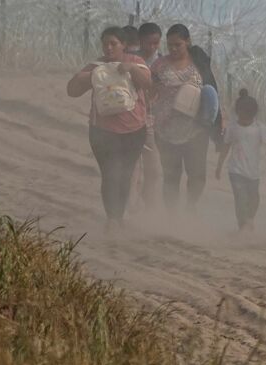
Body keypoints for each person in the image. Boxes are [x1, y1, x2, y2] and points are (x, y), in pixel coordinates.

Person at [66, 26, 151, 231]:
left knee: (125, 173)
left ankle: (118, 217)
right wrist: (87, 77)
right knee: (110, 173)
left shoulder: (136, 63)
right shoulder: (96, 66)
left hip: (134, 130)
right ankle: (112, 218)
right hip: (102, 132)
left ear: (124, 45)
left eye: (114, 43)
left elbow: (149, 84)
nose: (109, 48)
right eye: (105, 44)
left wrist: (130, 69)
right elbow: (72, 91)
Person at [150, 24, 223, 212]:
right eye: (170, 45)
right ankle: (172, 216)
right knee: (171, 175)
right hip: (165, 129)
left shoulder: (199, 63)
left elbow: (212, 94)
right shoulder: (159, 65)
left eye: (178, 45)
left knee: (197, 175)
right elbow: (148, 91)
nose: (173, 49)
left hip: (196, 129)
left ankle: (191, 208)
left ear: (188, 42)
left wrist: (217, 127)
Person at [215, 89, 266, 230]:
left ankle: (250, 219)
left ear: (253, 115)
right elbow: (226, 147)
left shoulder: (260, 128)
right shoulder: (233, 128)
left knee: (254, 199)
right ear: (238, 112)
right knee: (240, 199)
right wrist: (219, 166)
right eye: (242, 116)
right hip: (235, 170)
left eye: (248, 116)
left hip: (254, 172)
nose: (244, 119)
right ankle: (243, 226)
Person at [128, 22, 163, 212]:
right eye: (148, 43)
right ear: (140, 41)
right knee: (133, 170)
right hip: (131, 120)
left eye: (156, 43)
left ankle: (150, 209)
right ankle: (128, 210)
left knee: (154, 170)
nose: (152, 47)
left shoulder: (163, 64)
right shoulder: (131, 60)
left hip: (151, 122)